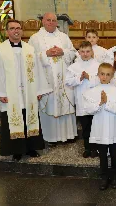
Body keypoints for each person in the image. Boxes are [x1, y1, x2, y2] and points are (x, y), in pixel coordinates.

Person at [0, 19, 52, 161]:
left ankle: (31, 148)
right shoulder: (0, 49)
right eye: (12, 28)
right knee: (13, 120)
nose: (16, 31)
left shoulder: (30, 49)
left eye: (18, 28)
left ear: (21, 31)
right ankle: (16, 150)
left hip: (28, 93)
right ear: (7, 32)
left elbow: (38, 71)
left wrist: (39, 90)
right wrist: (0, 93)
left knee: (29, 117)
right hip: (11, 94)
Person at [28, 12, 77, 144]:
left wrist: (63, 52)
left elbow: (73, 53)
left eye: (53, 20)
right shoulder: (35, 38)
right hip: (46, 79)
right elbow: (29, 58)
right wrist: (45, 54)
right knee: (49, 105)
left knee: (65, 104)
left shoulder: (64, 37)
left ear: (57, 22)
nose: (51, 22)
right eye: (48, 20)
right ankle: (51, 138)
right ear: (43, 21)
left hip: (63, 79)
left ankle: (68, 136)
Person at [83, 63, 116, 190]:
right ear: (98, 74)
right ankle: (104, 177)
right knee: (102, 154)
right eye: (102, 74)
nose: (104, 77)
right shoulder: (92, 91)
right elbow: (88, 110)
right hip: (100, 127)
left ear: (112, 76)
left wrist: (106, 104)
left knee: (113, 154)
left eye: (108, 74)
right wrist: (100, 103)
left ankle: (114, 176)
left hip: (112, 127)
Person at [66, 41, 100, 158]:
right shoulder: (74, 67)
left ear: (92, 52)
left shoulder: (98, 65)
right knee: (85, 126)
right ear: (79, 52)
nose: (85, 54)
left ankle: (95, 148)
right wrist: (79, 78)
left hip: (95, 101)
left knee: (95, 126)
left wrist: (89, 77)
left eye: (88, 51)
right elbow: (68, 81)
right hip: (81, 101)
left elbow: (102, 80)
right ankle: (87, 148)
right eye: (83, 51)